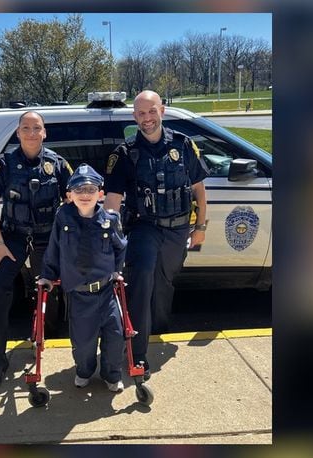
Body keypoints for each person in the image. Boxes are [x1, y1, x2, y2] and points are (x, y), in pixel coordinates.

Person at [104, 90, 209, 381]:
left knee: (164, 279)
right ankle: (137, 354)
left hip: (177, 229)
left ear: (162, 109)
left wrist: (200, 227)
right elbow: (112, 200)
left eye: (151, 111)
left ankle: (158, 328)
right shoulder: (124, 154)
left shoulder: (183, 145)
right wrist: (109, 236)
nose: (146, 118)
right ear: (133, 116)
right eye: (140, 113)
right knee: (143, 280)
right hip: (144, 227)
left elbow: (199, 189)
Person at [0, 111, 73, 386]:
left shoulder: (58, 164)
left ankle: (45, 340)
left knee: (49, 289)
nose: (32, 133)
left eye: (37, 128)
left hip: (47, 237)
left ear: (45, 132)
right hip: (12, 237)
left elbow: (73, 200)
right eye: (26, 128)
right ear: (18, 133)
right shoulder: (3, 164)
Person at [38, 164, 127, 392]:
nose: (85, 195)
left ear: (100, 194)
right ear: (69, 195)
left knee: (116, 336)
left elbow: (121, 247)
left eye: (90, 189)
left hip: (107, 292)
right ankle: (84, 370)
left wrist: (117, 270)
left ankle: (111, 374)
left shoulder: (110, 219)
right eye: (79, 190)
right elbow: (54, 248)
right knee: (84, 344)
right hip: (80, 294)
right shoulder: (63, 217)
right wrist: (48, 276)